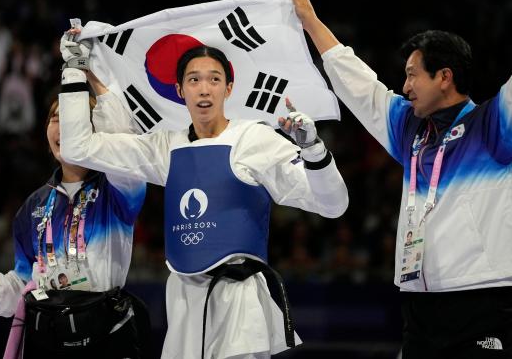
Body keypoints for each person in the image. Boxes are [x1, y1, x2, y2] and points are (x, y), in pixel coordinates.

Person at [290, 0, 512, 358]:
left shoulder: (494, 126)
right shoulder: (410, 130)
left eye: (411, 75)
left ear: (444, 77)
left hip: (481, 299)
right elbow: (360, 87)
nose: (404, 87)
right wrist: (311, 22)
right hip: (419, 303)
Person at [58, 41, 349, 358]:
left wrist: (314, 151)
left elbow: (333, 204)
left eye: (214, 79)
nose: (204, 89)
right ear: (180, 90)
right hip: (184, 301)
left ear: (229, 87)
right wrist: (73, 69)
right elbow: (78, 148)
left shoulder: (254, 139)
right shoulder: (165, 148)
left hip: (240, 301)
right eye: (194, 80)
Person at [0, 38, 151, 358]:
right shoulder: (32, 208)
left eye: (72, 119)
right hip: (46, 338)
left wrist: (89, 75)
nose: (62, 127)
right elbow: (24, 280)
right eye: (55, 118)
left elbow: (124, 145)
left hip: (104, 337)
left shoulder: (118, 191)